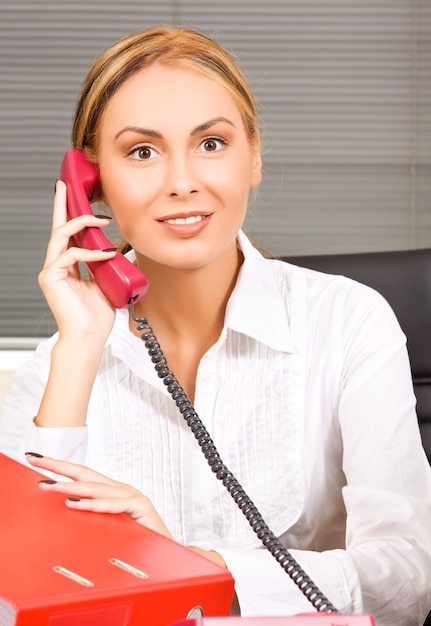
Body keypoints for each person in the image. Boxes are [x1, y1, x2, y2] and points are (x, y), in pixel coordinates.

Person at [0, 26, 430, 626]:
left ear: (253, 155)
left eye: (211, 143)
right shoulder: (56, 364)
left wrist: (186, 567)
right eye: (142, 152)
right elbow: (24, 593)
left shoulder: (348, 321)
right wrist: (81, 346)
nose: (181, 181)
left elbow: (407, 579)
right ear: (90, 185)